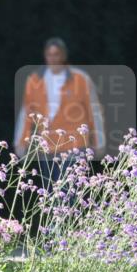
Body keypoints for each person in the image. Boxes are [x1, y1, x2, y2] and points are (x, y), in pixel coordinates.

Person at [14, 37, 105, 184]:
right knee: (49, 191)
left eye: (56, 54)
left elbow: (94, 111)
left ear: (63, 55)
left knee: (69, 191)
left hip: (75, 145)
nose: (53, 58)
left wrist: (99, 141)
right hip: (47, 145)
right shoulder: (34, 80)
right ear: (45, 56)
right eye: (49, 54)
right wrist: (20, 141)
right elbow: (26, 113)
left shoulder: (80, 79)